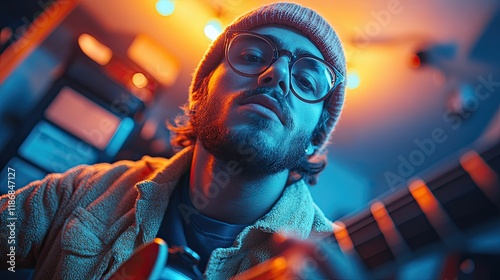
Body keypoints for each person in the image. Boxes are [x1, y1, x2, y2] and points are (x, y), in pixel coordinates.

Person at [0, 2, 346, 279]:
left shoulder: (332, 258)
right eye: (252, 57)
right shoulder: (83, 191)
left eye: (305, 81)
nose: (277, 75)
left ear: (315, 138)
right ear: (200, 95)